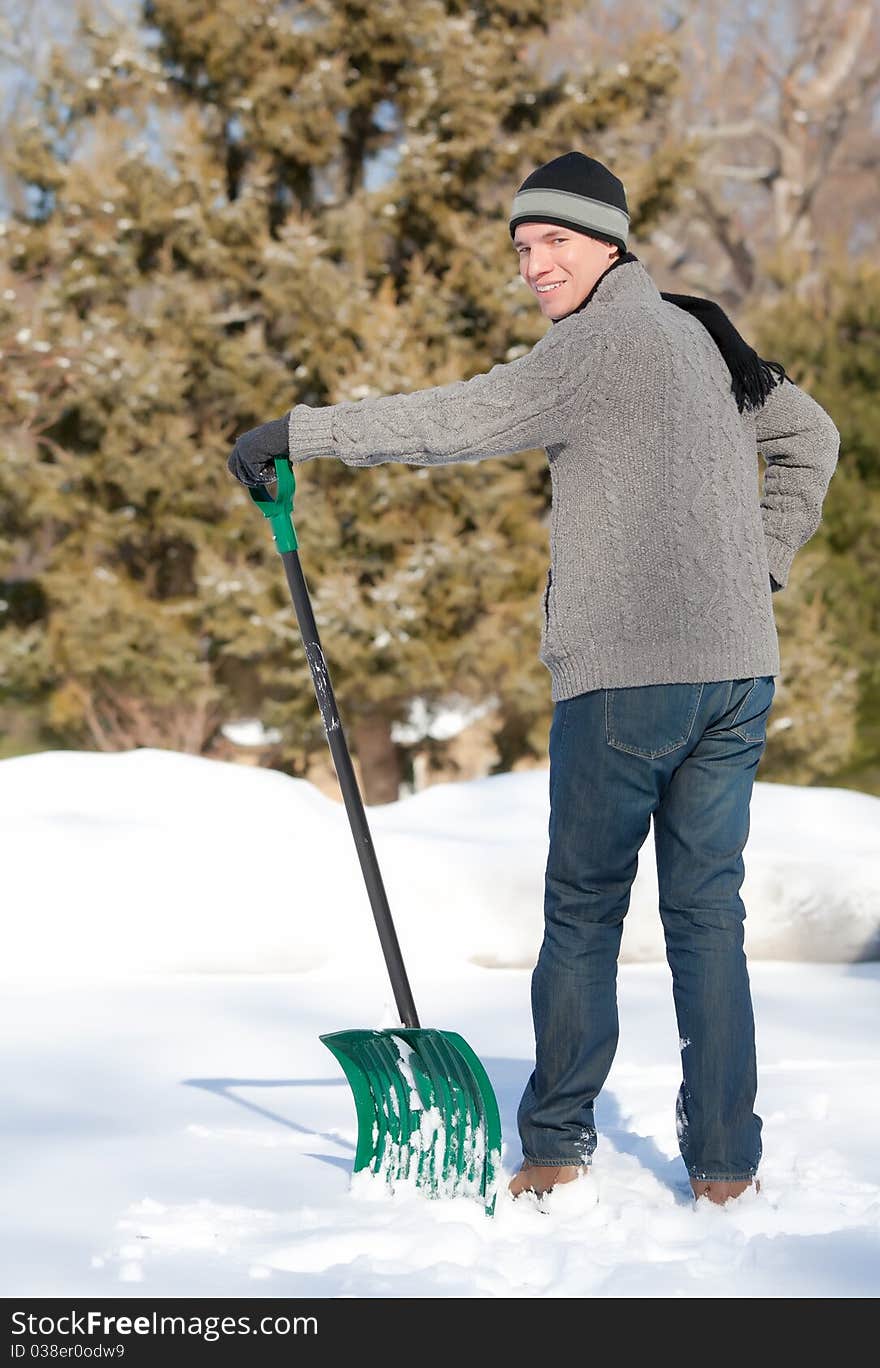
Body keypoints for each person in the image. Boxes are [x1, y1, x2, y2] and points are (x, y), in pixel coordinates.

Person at [228, 151, 841, 1207]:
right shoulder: (705, 334)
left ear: (610, 241)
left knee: (585, 910)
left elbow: (453, 421)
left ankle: (556, 1144)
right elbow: (810, 435)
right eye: (521, 247)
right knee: (707, 915)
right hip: (738, 672)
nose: (533, 265)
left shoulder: (593, 349)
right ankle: (725, 1166)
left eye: (554, 241)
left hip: (626, 685)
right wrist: (759, 565)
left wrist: (302, 433)